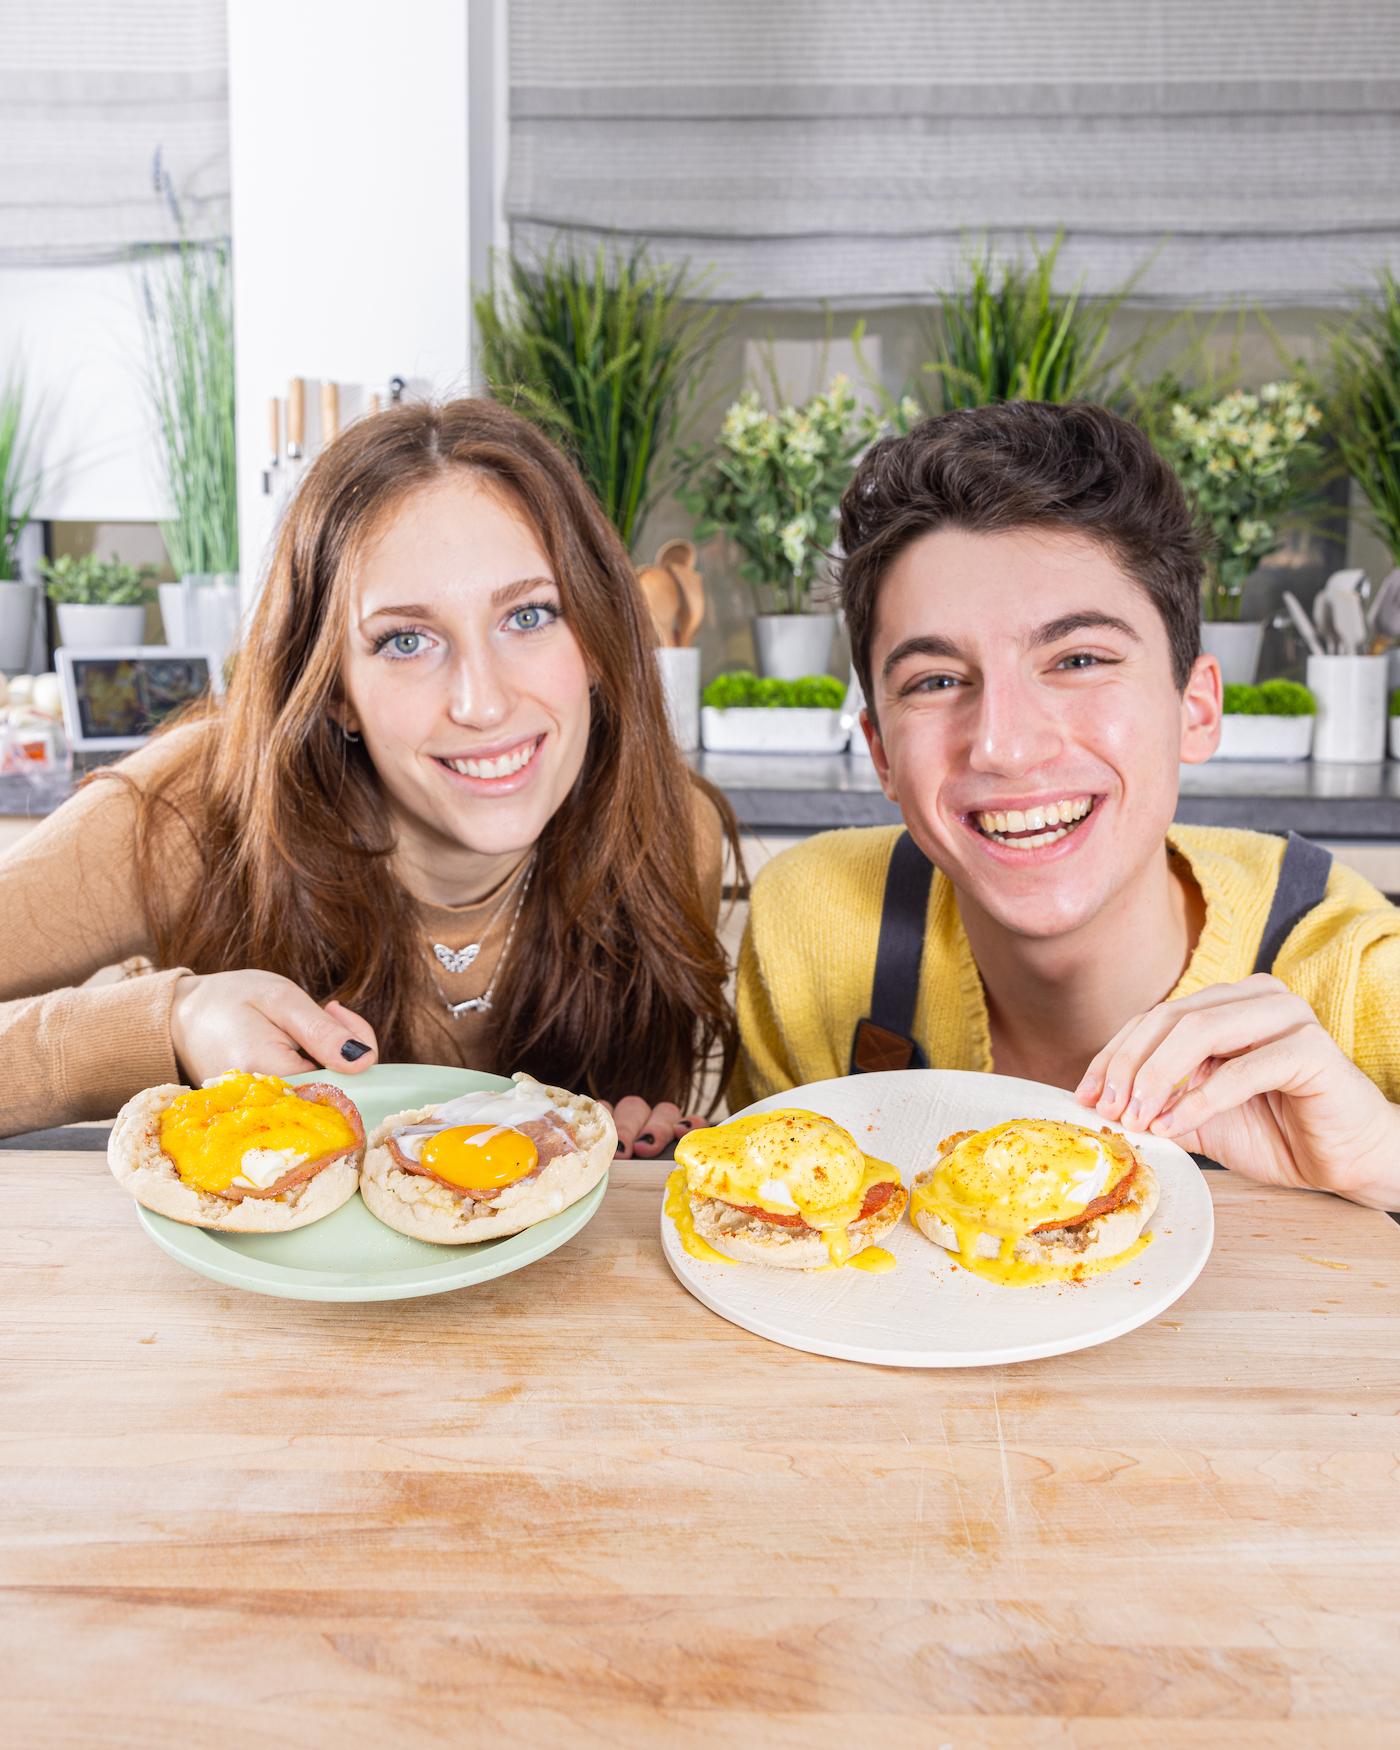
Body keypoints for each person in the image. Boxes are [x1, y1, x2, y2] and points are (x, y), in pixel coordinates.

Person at [1, 398, 736, 1155]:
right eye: (407, 640)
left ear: (597, 636)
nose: (483, 703)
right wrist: (172, 1021)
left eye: (529, 616)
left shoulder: (670, 832)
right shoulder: (192, 807)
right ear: (336, 690)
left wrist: (628, 1152)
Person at [733, 401, 1400, 1209]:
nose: (1004, 746)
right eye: (936, 681)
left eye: (1079, 658)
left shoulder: (1355, 971)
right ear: (880, 752)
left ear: (1195, 708)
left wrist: (1377, 1154)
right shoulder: (811, 929)